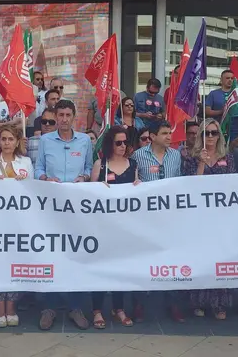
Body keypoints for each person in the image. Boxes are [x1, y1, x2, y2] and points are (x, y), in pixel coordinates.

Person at [34, 100, 92, 330]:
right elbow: (38, 168)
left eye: (68, 114)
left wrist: (84, 177)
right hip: (52, 208)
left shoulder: (85, 140)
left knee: (76, 254)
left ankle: (75, 307)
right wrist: (45, 179)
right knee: (52, 255)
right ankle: (49, 307)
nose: (64, 118)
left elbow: (89, 168)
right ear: (55, 117)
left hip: (77, 208)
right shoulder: (46, 141)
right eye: (60, 114)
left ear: (74, 116)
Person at [182, 119, 236, 320]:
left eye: (214, 133)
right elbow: (190, 187)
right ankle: (199, 302)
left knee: (220, 258)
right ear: (200, 136)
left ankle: (220, 304)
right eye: (206, 133)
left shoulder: (227, 157)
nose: (211, 137)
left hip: (221, 216)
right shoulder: (191, 158)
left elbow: (232, 184)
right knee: (201, 258)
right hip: (199, 217)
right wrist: (202, 164)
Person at [131, 121, 183, 322]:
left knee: (171, 260)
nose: (169, 136)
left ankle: (173, 303)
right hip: (146, 217)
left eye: (170, 132)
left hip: (169, 217)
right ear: (152, 136)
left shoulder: (176, 155)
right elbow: (134, 182)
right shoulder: (138, 155)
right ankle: (139, 303)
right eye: (164, 133)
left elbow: (179, 181)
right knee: (143, 259)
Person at [0, 124, 32, 328]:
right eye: (3, 139)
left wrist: (24, 182)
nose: (7, 143)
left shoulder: (26, 162)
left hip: (18, 222)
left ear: (17, 141)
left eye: (10, 139)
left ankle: (10, 308)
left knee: (14, 264)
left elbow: (34, 191)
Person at [90, 126, 139, 329]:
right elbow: (89, 196)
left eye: (125, 142)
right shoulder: (100, 165)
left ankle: (119, 308)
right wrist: (98, 188)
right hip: (102, 227)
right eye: (118, 142)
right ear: (110, 143)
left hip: (124, 227)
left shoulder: (133, 164)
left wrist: (139, 186)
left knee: (121, 267)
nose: (122, 146)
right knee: (100, 268)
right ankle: (97, 310)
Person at [204, 70, 238, 141]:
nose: (230, 80)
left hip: (235, 130)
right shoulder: (213, 94)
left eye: (232, 78)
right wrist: (222, 111)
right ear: (221, 80)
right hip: (217, 129)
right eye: (227, 78)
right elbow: (207, 111)